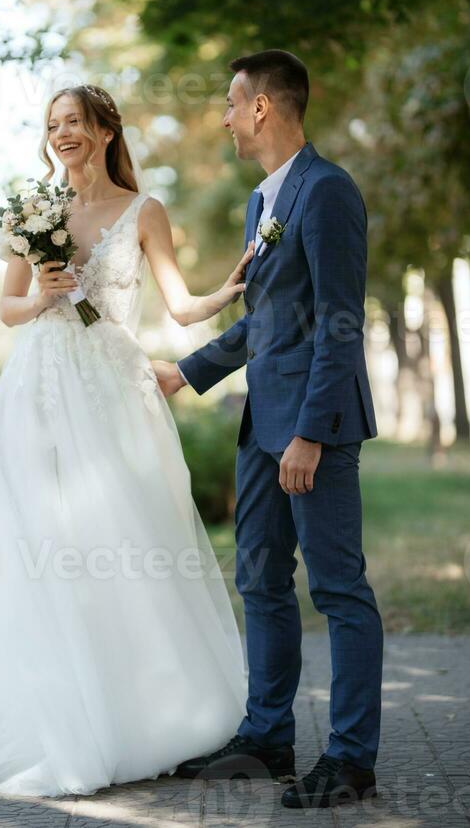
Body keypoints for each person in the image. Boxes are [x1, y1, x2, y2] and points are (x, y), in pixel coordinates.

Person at [0, 83, 254, 799]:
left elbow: (179, 303)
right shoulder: (34, 209)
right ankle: (45, 714)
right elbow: (6, 308)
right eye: (52, 123)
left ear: (103, 131)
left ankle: (141, 708)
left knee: (123, 538)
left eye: (74, 122)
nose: (61, 133)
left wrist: (225, 293)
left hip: (116, 393)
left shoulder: (143, 210)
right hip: (38, 388)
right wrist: (41, 296)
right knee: (35, 539)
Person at [152, 51, 384, 810]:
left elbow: (339, 323)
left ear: (261, 108)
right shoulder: (263, 202)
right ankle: (266, 739)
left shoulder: (327, 191)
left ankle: (349, 759)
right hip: (261, 425)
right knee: (258, 581)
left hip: (312, 429)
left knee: (338, 588)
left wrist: (312, 433)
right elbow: (268, 321)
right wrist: (185, 372)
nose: (221, 117)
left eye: (229, 103)